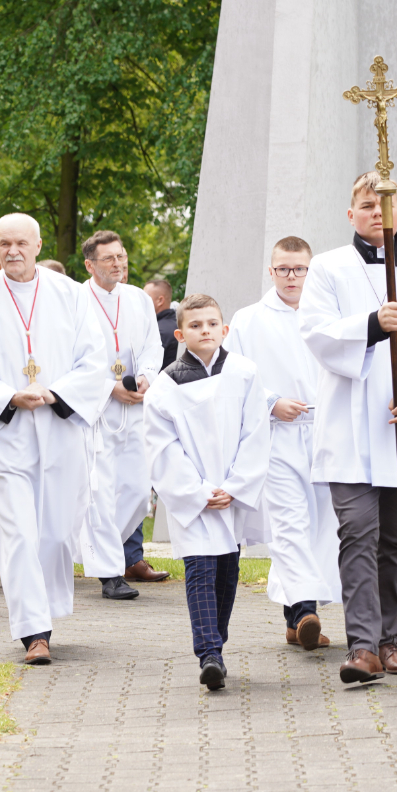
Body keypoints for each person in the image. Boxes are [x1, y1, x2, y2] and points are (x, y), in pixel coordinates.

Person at [298, 171, 397, 683]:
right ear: (351, 214)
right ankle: (362, 647)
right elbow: (315, 330)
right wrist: (371, 326)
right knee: (358, 534)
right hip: (349, 428)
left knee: (395, 539)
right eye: (366, 205)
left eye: (384, 205)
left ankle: (389, 641)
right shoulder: (327, 268)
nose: (375, 213)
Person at [0, 213, 109, 664]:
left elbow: (94, 361)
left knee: (59, 533)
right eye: (4, 243)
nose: (12, 251)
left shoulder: (71, 296)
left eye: (21, 242)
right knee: (18, 534)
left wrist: (56, 393)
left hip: (60, 428)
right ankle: (33, 632)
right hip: (9, 434)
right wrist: (8, 397)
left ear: (38, 246)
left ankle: (48, 610)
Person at [145, 294, 269, 690]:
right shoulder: (165, 386)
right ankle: (209, 653)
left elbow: (256, 432)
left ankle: (217, 642)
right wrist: (196, 491)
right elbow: (163, 446)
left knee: (227, 573)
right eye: (196, 326)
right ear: (181, 334)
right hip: (195, 495)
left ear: (225, 329)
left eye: (212, 324)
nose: (205, 331)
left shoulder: (245, 373)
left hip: (232, 491)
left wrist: (235, 486)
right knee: (200, 569)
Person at [226, 236, 340, 651]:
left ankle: (296, 619)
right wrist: (272, 403)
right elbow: (233, 380)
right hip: (276, 437)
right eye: (284, 269)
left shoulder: (329, 315)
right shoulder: (248, 320)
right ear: (270, 270)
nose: (292, 277)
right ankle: (306, 611)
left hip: (325, 435)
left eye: (300, 269)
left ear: (312, 271)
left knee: (322, 527)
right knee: (289, 524)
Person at [80, 230, 169, 600]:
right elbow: (73, 356)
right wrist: (107, 386)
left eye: (122, 256)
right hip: (99, 408)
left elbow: (153, 344)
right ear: (90, 265)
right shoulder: (76, 300)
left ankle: (99, 550)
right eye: (110, 259)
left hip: (136, 404)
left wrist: (147, 376)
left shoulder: (138, 299)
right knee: (101, 492)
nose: (119, 263)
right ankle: (109, 571)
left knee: (135, 490)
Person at [144, 278, 179, 369]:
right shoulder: (177, 323)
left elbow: (148, 367)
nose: (141, 301)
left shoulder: (158, 331)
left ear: (160, 300)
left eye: (146, 297)